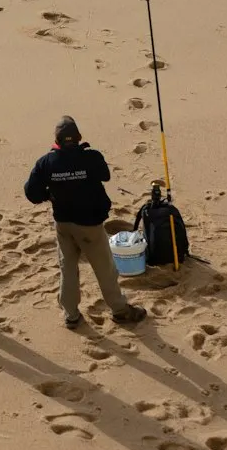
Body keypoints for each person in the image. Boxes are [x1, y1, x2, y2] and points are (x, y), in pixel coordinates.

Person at [24, 115, 147, 329]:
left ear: (58, 140)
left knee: (68, 268)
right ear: (78, 138)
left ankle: (71, 314)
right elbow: (105, 175)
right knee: (105, 268)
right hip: (89, 225)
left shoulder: (47, 162)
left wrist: (48, 194)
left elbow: (31, 192)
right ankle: (119, 310)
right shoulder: (91, 157)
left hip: (64, 223)